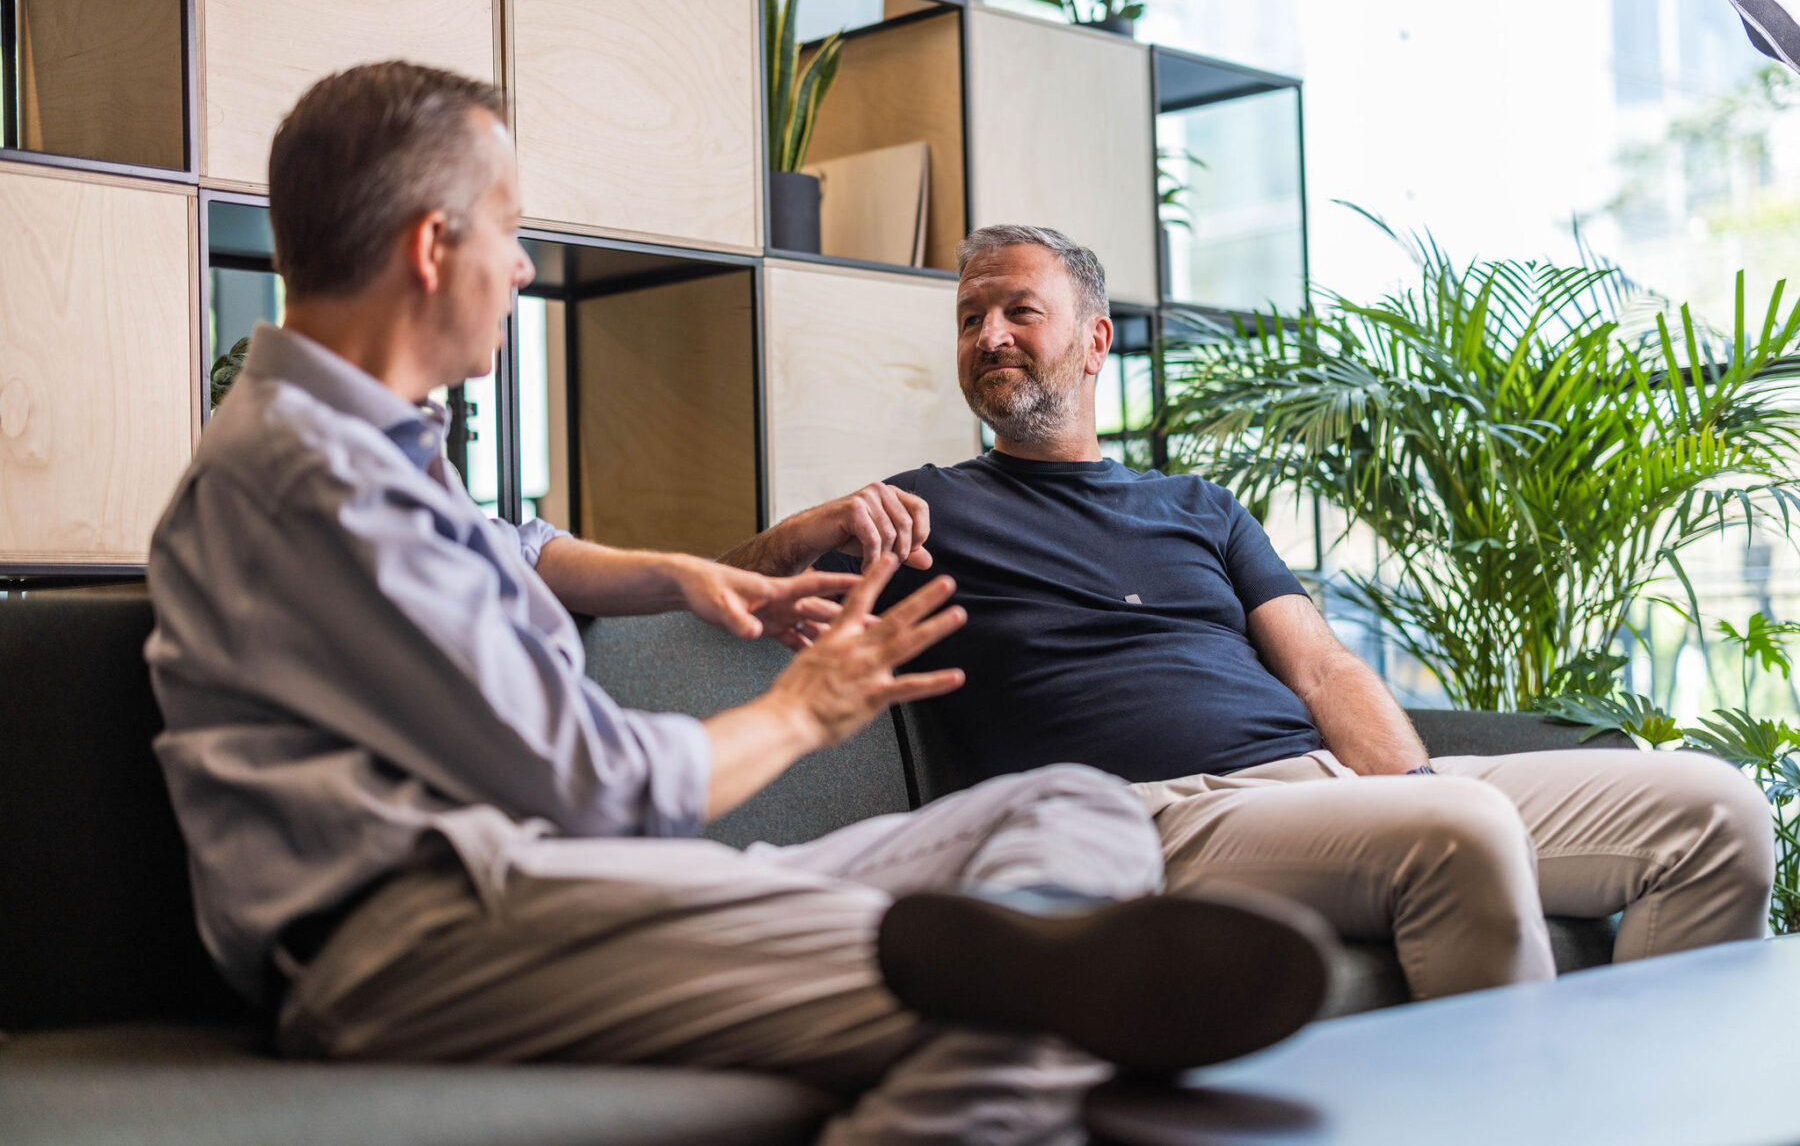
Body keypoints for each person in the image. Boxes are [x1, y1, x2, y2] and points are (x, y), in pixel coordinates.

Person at [144, 68, 1332, 1146]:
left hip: (559, 889)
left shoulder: (368, 451)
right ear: (428, 247)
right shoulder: (322, 479)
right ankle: (1034, 964)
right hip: (426, 932)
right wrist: (805, 710)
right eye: (508, 231)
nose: (518, 264)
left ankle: (1033, 940)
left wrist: (686, 575)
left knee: (1072, 805)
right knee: (1036, 1007)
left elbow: (515, 547)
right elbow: (593, 783)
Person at [725, 223, 1777, 1001]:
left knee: (1713, 810)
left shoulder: (1198, 506)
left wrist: (1397, 786)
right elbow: (717, 598)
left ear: (1094, 343)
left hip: (1322, 790)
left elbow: (1320, 670)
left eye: (1016, 311)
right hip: (1157, 815)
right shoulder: (925, 509)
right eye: (969, 318)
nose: (989, 335)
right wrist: (797, 532)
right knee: (1456, 828)